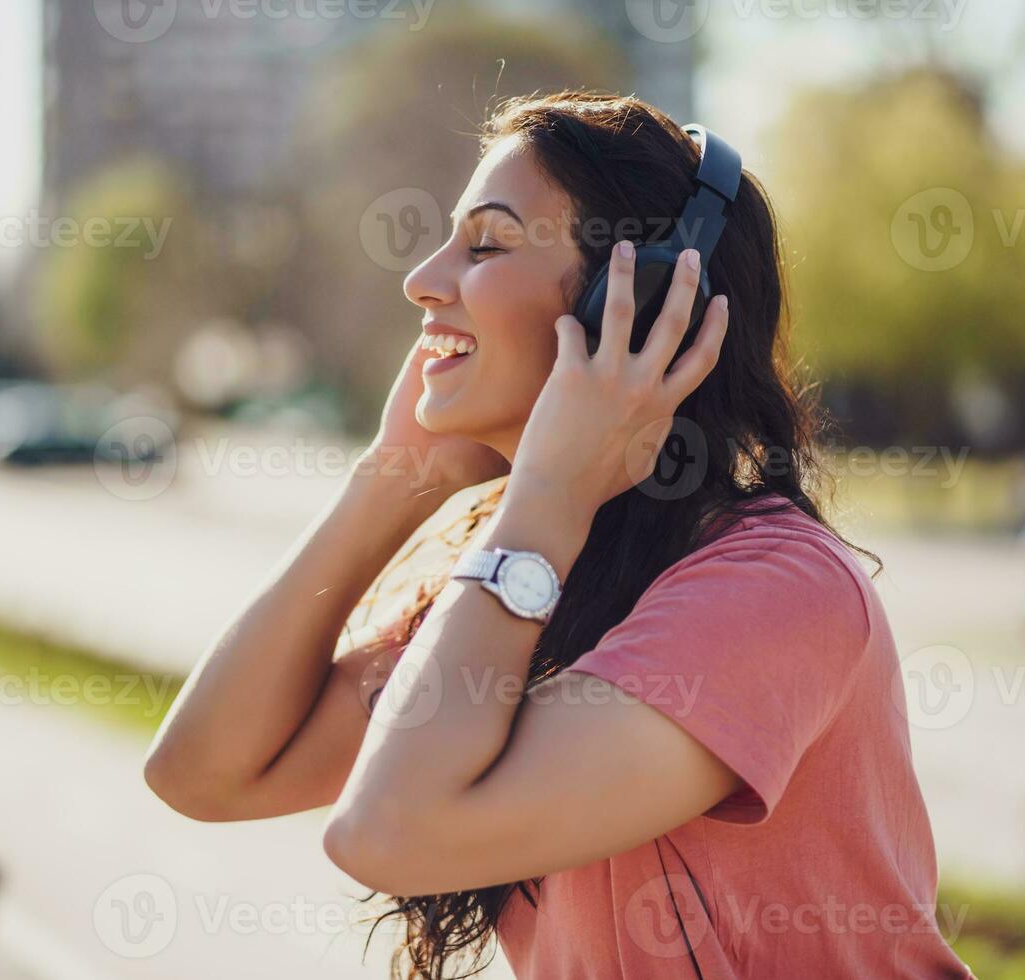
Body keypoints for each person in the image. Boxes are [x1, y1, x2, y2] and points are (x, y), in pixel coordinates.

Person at [144, 89, 975, 980]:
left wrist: (545, 498)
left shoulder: (778, 592)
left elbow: (387, 832)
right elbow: (202, 773)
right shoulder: (531, 575)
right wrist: (395, 476)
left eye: (487, 243)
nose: (420, 279)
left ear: (645, 306)